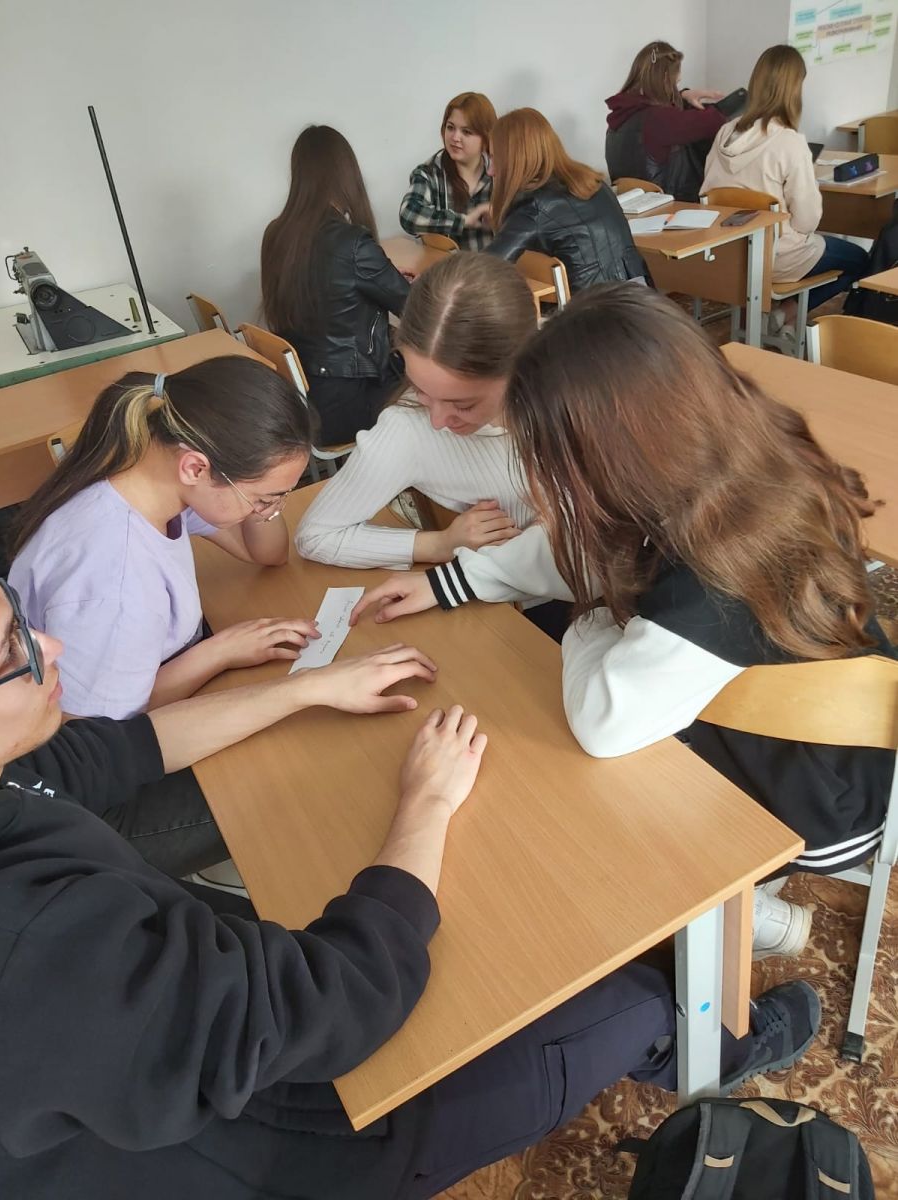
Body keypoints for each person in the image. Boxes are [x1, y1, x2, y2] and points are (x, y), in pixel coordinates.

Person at [0, 574, 821, 1199]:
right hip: (292, 1137)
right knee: (631, 995)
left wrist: (306, 688)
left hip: (221, 1026)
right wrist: (424, 805)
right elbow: (334, 1003)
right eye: (12, 653)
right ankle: (703, 1047)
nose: (51, 647)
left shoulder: (13, 779)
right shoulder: (34, 941)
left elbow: (114, 753)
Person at [352, 285, 897, 960]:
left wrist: (591, 618)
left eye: (551, 462)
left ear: (619, 457)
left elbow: (602, 721)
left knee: (576, 780)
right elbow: (582, 547)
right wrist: (449, 581)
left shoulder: (714, 580)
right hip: (778, 724)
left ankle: (731, 907)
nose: (543, 480)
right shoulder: (719, 467)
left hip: (820, 796)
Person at [9, 357, 317, 723]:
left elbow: (268, 552)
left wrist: (265, 493)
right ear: (194, 468)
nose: (269, 511)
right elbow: (94, 728)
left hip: (156, 668)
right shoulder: (117, 579)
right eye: (264, 500)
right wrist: (219, 652)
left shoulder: (146, 477)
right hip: (91, 733)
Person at [296, 253, 536, 570]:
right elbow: (315, 536)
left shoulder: (570, 386)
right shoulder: (406, 430)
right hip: (508, 587)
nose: (437, 421)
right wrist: (440, 544)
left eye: (463, 405)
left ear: (522, 369)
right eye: (420, 388)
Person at [261, 125, 410, 446]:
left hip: (306, 402)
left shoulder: (276, 234)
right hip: (352, 404)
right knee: (434, 378)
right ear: (346, 175)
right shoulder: (352, 242)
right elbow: (413, 307)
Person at [702, 44, 870, 328]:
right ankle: (785, 315)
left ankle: (771, 315)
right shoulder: (789, 142)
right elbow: (807, 220)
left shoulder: (725, 133)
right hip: (776, 257)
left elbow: (706, 194)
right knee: (861, 260)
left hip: (727, 253)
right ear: (794, 89)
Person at [485, 108, 650, 293]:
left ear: (515, 161)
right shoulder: (594, 182)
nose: (490, 171)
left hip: (595, 306)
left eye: (494, 159)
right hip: (640, 297)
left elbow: (487, 269)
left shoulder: (534, 206)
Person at [606, 40, 726, 201]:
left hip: (635, 210)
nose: (675, 88)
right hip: (672, 210)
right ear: (664, 78)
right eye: (675, 82)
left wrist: (682, 95)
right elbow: (715, 121)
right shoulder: (658, 119)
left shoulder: (619, 118)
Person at [399, 92, 497, 251]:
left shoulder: (498, 171)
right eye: (450, 127)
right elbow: (408, 215)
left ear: (485, 137)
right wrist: (464, 221)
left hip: (495, 264)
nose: (455, 137)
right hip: (450, 265)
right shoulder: (429, 173)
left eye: (466, 131)